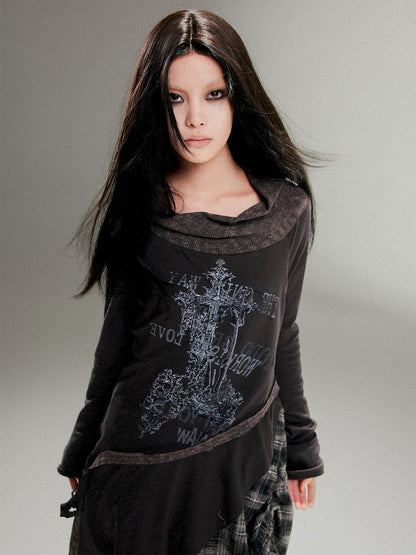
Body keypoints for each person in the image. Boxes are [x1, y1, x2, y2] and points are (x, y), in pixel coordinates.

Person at [58, 9, 324, 555]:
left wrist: (303, 446)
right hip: (140, 465)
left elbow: (283, 332)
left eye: (213, 95)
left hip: (239, 460)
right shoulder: (141, 210)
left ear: (239, 97)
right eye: (174, 98)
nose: (194, 119)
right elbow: (116, 339)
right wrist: (82, 442)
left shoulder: (287, 212)